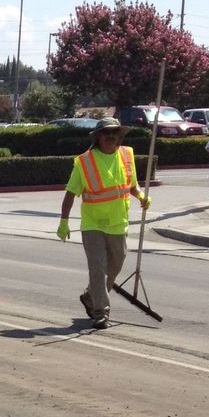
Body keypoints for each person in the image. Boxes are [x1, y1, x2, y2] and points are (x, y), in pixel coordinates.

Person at [57, 116, 150, 328]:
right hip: (93, 224)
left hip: (118, 222)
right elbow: (70, 194)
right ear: (98, 136)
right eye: (106, 133)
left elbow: (132, 186)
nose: (110, 136)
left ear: (119, 135)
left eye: (114, 132)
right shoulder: (85, 161)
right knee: (98, 268)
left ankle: (91, 296)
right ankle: (100, 311)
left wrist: (142, 197)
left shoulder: (127, 155)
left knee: (115, 265)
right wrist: (64, 221)